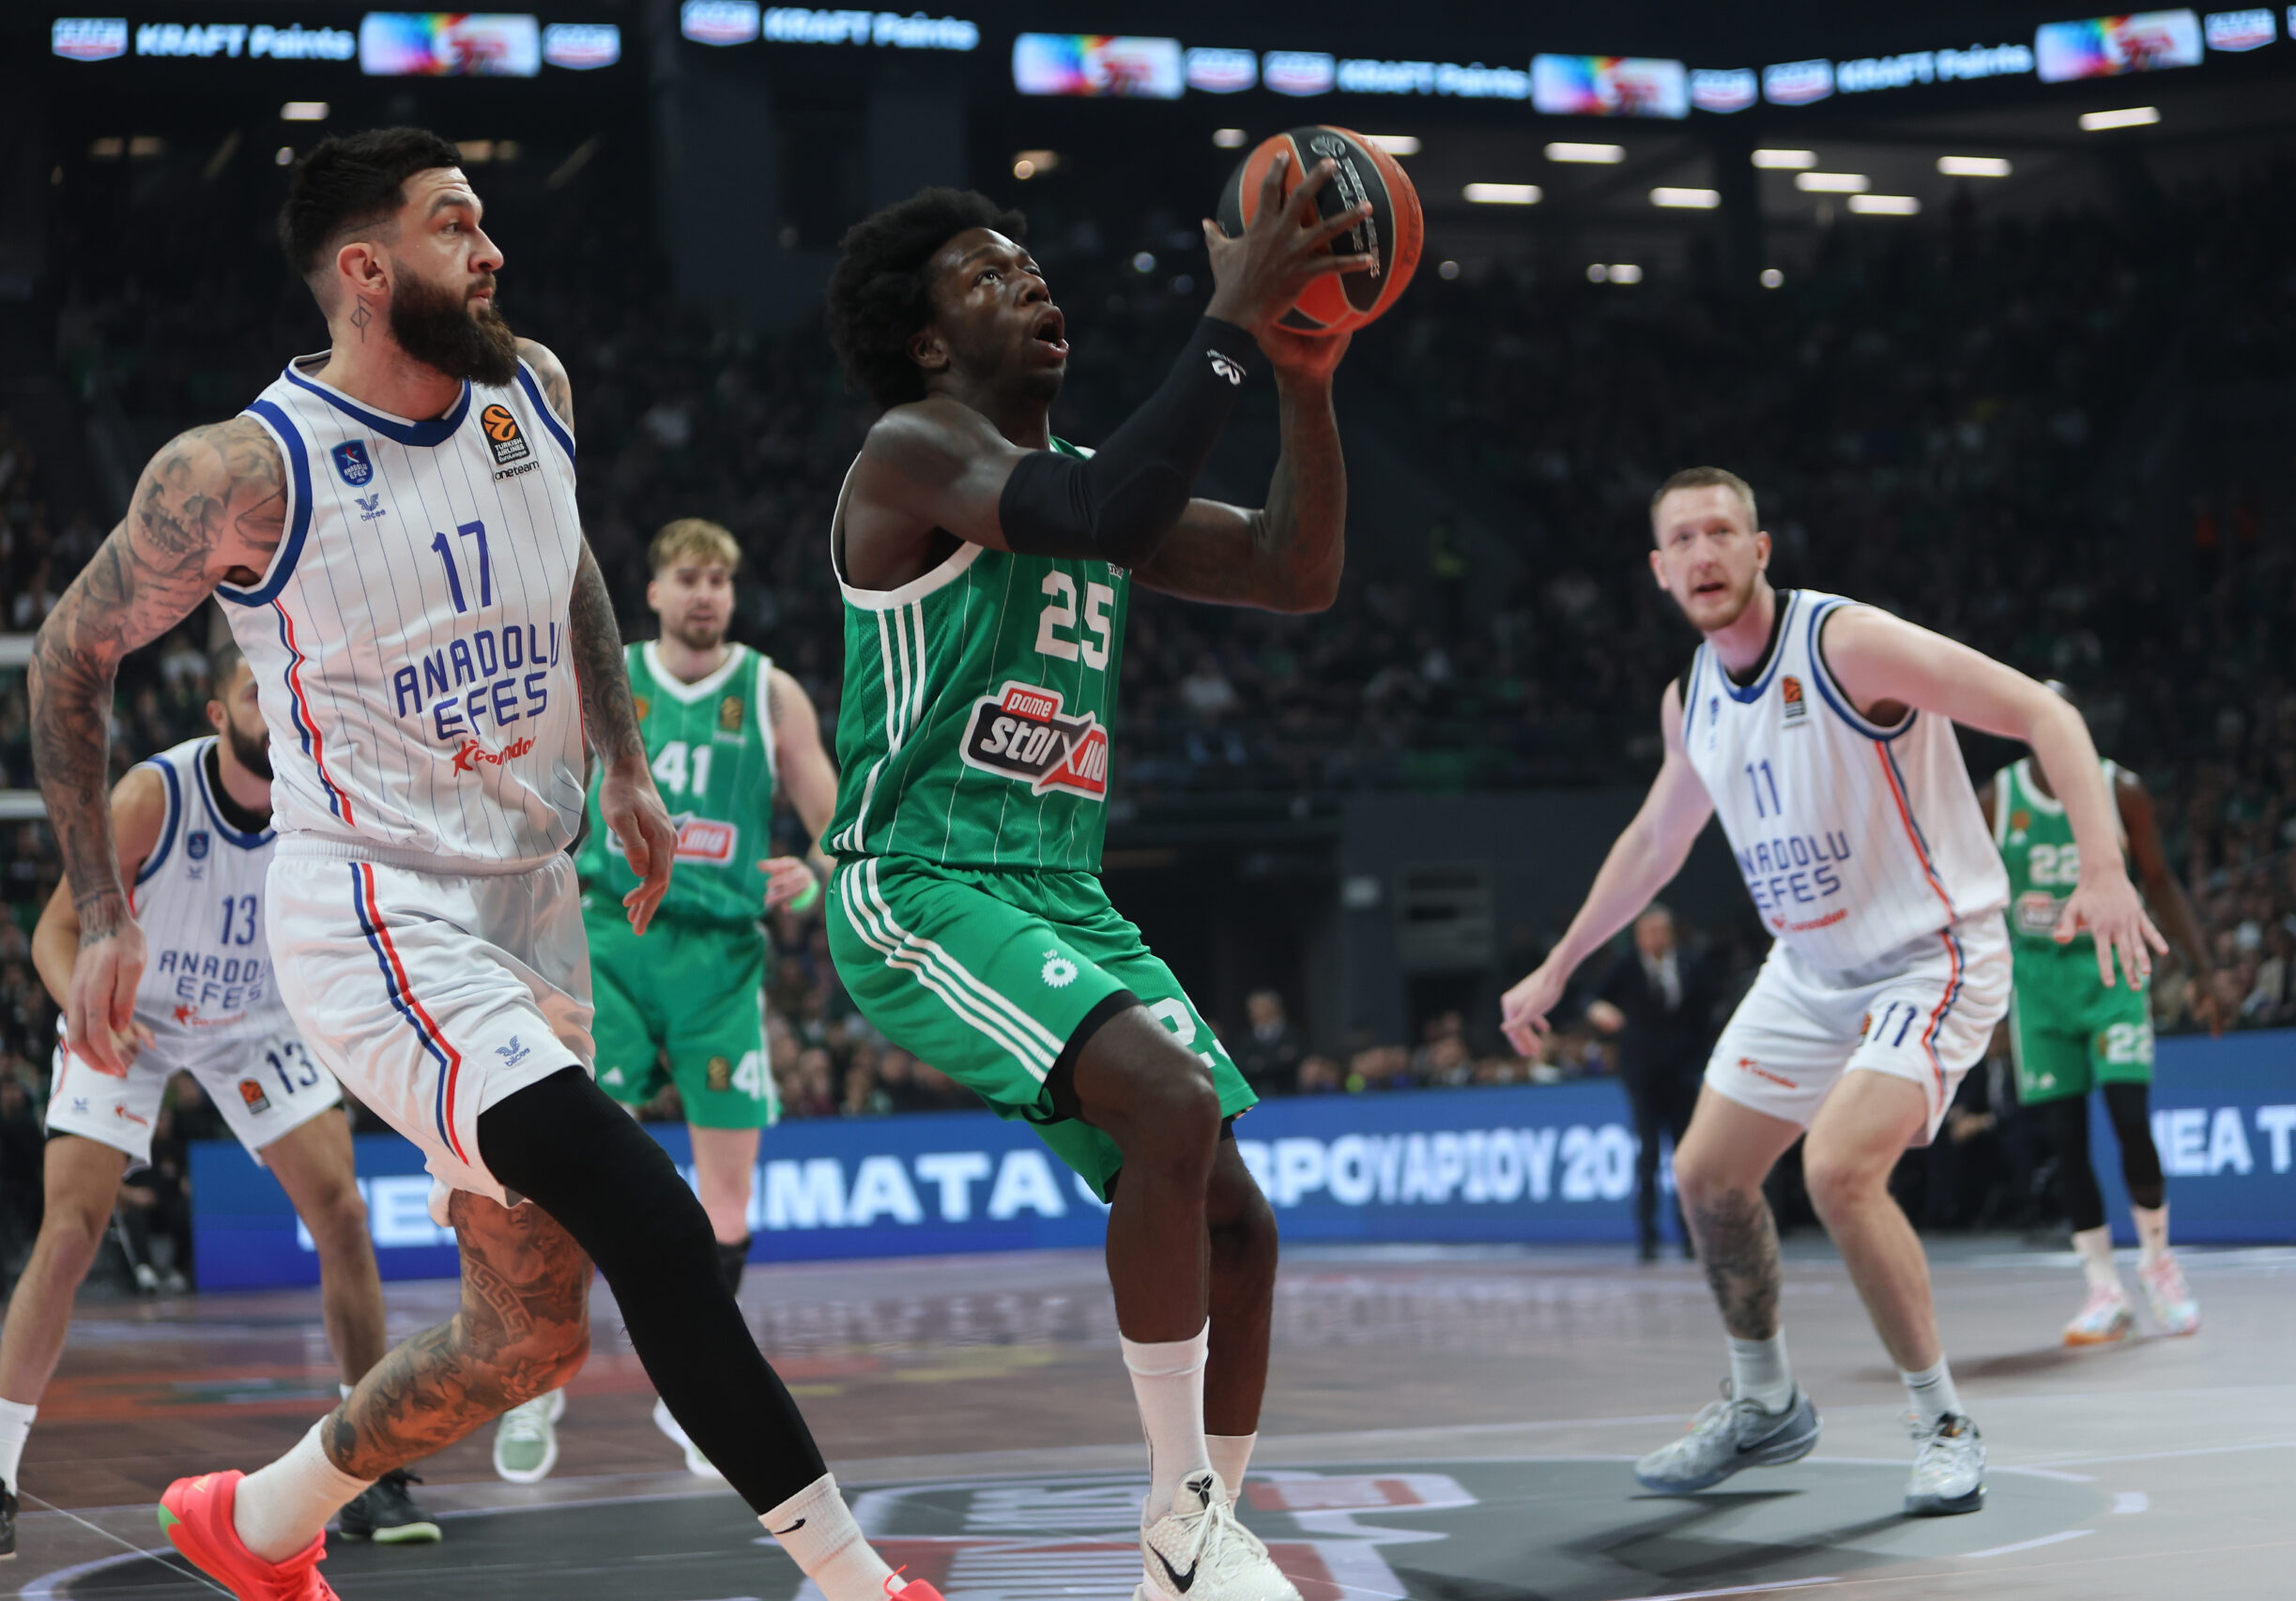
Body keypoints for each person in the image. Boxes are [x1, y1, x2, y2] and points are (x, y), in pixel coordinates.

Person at [26, 128, 936, 1601]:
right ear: (365, 268)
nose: (492, 247)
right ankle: (858, 1580)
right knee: (653, 1214)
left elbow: (564, 557)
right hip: (377, 908)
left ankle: (255, 1519)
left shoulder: (534, 389)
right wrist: (107, 907)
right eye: (455, 223)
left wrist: (624, 755)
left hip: (532, 893)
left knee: (528, 1338)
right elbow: (70, 654)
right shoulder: (244, 471)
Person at [819, 166, 1364, 1600]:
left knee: (1240, 1219)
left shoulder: (1100, 488)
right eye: (989, 276)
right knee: (1170, 1102)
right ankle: (1179, 1514)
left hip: (1062, 894)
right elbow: (1104, 503)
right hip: (918, 880)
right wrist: (1230, 324)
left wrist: (1302, 378)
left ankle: (1198, 1538)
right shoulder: (910, 450)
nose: (1033, 283)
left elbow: (1293, 569)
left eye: (1035, 266)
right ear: (930, 340)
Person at [1501, 466, 2165, 1517]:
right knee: (1706, 1175)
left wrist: (2103, 865)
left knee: (1839, 1170)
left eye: (1723, 531)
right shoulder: (1692, 697)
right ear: (1660, 570)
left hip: (1931, 953)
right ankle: (1764, 1400)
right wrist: (1561, 963)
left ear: (1760, 549)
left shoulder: (1847, 645)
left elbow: (2044, 712)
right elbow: (1655, 841)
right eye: (1684, 539)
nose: (1705, 552)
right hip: (1809, 970)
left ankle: (1942, 1422)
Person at [1, 647, 430, 1558]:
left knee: (344, 1213)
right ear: (216, 713)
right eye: (252, 692)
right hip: (133, 1011)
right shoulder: (151, 798)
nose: (273, 707)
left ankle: (370, 1471)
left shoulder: (329, 799)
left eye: (285, 692)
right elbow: (56, 930)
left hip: (255, 1021)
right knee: (70, 1231)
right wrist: (85, 1005)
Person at [491, 516, 838, 1484]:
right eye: (688, 577)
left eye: (719, 580)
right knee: (566, 1171)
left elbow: (833, 829)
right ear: (651, 591)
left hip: (720, 959)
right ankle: (540, 1379)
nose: (705, 595)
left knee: (729, 1193)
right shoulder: (610, 677)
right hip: (610, 942)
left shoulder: (769, 692)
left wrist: (811, 876)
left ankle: (698, 1391)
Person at [1981, 683, 2222, 1346]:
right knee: (2065, 1139)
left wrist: (2204, 972)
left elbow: (2159, 880)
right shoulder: (1997, 798)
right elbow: (1973, 902)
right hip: (2039, 990)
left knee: (2130, 1120)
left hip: (2113, 976)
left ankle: (2159, 1264)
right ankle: (2102, 1287)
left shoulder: (2121, 789)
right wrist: (1987, 1001)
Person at [1583, 904, 1716, 1259]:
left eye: (1662, 931)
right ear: (1639, 936)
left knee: (1687, 1157)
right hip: (1642, 1073)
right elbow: (1589, 997)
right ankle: (1647, 1237)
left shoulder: (1690, 964)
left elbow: (1707, 1012)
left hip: (1683, 1072)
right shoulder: (1626, 966)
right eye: (1649, 932)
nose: (1656, 938)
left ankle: (1691, 1235)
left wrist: (1701, 1059)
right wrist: (1598, 1010)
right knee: (1649, 1154)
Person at [1232, 989, 1304, 1099]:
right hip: (1257, 1095)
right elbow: (1241, 1064)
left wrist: (1260, 1064)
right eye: (1253, 1008)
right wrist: (1274, 1060)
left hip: (1289, 1094)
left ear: (1274, 1008)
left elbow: (1293, 1060)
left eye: (1261, 1006)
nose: (1255, 1011)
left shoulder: (1291, 1034)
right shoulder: (1246, 1039)